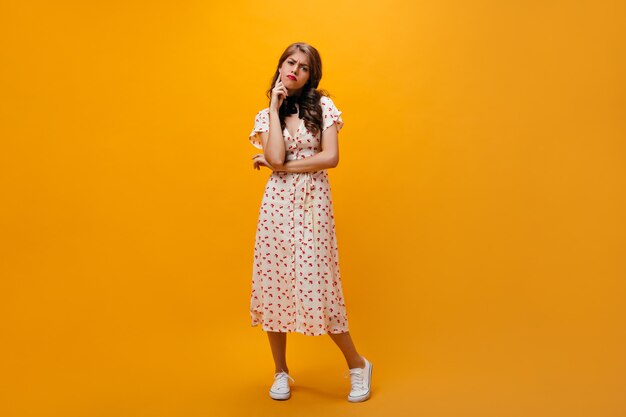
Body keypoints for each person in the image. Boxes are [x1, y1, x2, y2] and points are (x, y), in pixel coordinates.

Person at [248, 42, 373, 402]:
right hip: (276, 207)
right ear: (281, 65)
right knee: (273, 282)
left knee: (320, 284)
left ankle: (357, 364)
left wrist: (280, 167)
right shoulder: (265, 115)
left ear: (310, 75)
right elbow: (272, 153)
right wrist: (274, 106)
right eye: (291, 62)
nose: (295, 70)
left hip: (313, 203)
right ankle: (281, 371)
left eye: (303, 67)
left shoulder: (323, 108)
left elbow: (330, 158)